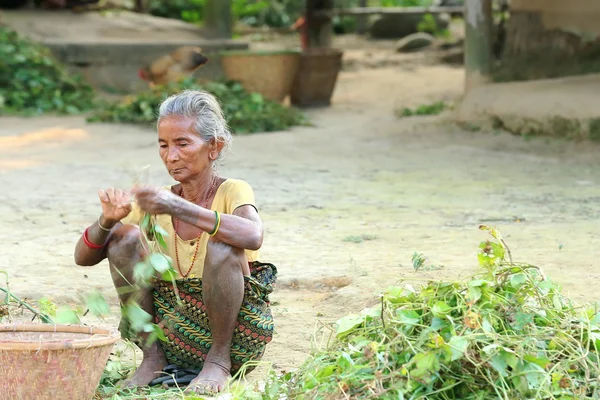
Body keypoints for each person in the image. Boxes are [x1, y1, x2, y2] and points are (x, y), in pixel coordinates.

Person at [73, 90, 277, 394]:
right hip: (171, 337)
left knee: (222, 244)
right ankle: (152, 357)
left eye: (183, 144)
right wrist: (107, 220)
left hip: (233, 340)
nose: (171, 156)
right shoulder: (159, 202)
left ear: (214, 147)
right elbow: (83, 258)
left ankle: (217, 362)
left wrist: (177, 207)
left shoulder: (231, 190)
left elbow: (252, 234)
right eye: (164, 145)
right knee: (124, 237)